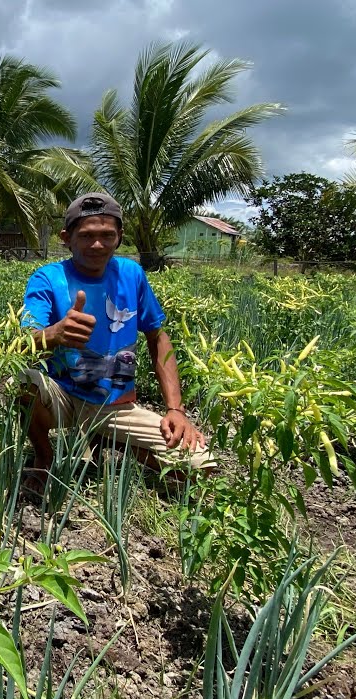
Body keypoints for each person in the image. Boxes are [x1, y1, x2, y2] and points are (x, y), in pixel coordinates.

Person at [20, 192, 214, 498]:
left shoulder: (131, 274)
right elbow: (24, 340)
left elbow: (158, 338)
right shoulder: (47, 278)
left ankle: (108, 436)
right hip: (63, 398)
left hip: (115, 406)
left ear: (119, 237)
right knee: (21, 383)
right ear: (66, 238)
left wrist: (175, 409)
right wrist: (54, 333)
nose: (97, 245)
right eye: (86, 236)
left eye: (107, 236)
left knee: (201, 467)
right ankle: (44, 457)